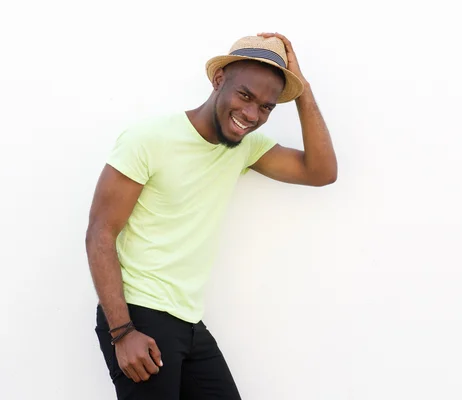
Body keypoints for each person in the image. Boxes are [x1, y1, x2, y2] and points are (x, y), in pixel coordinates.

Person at [85, 32, 337, 400]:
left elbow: (321, 172)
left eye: (267, 107)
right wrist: (121, 332)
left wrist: (303, 91)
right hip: (140, 315)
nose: (252, 115)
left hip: (187, 321)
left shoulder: (244, 147)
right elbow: (100, 232)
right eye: (245, 95)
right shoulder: (149, 139)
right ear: (219, 80)